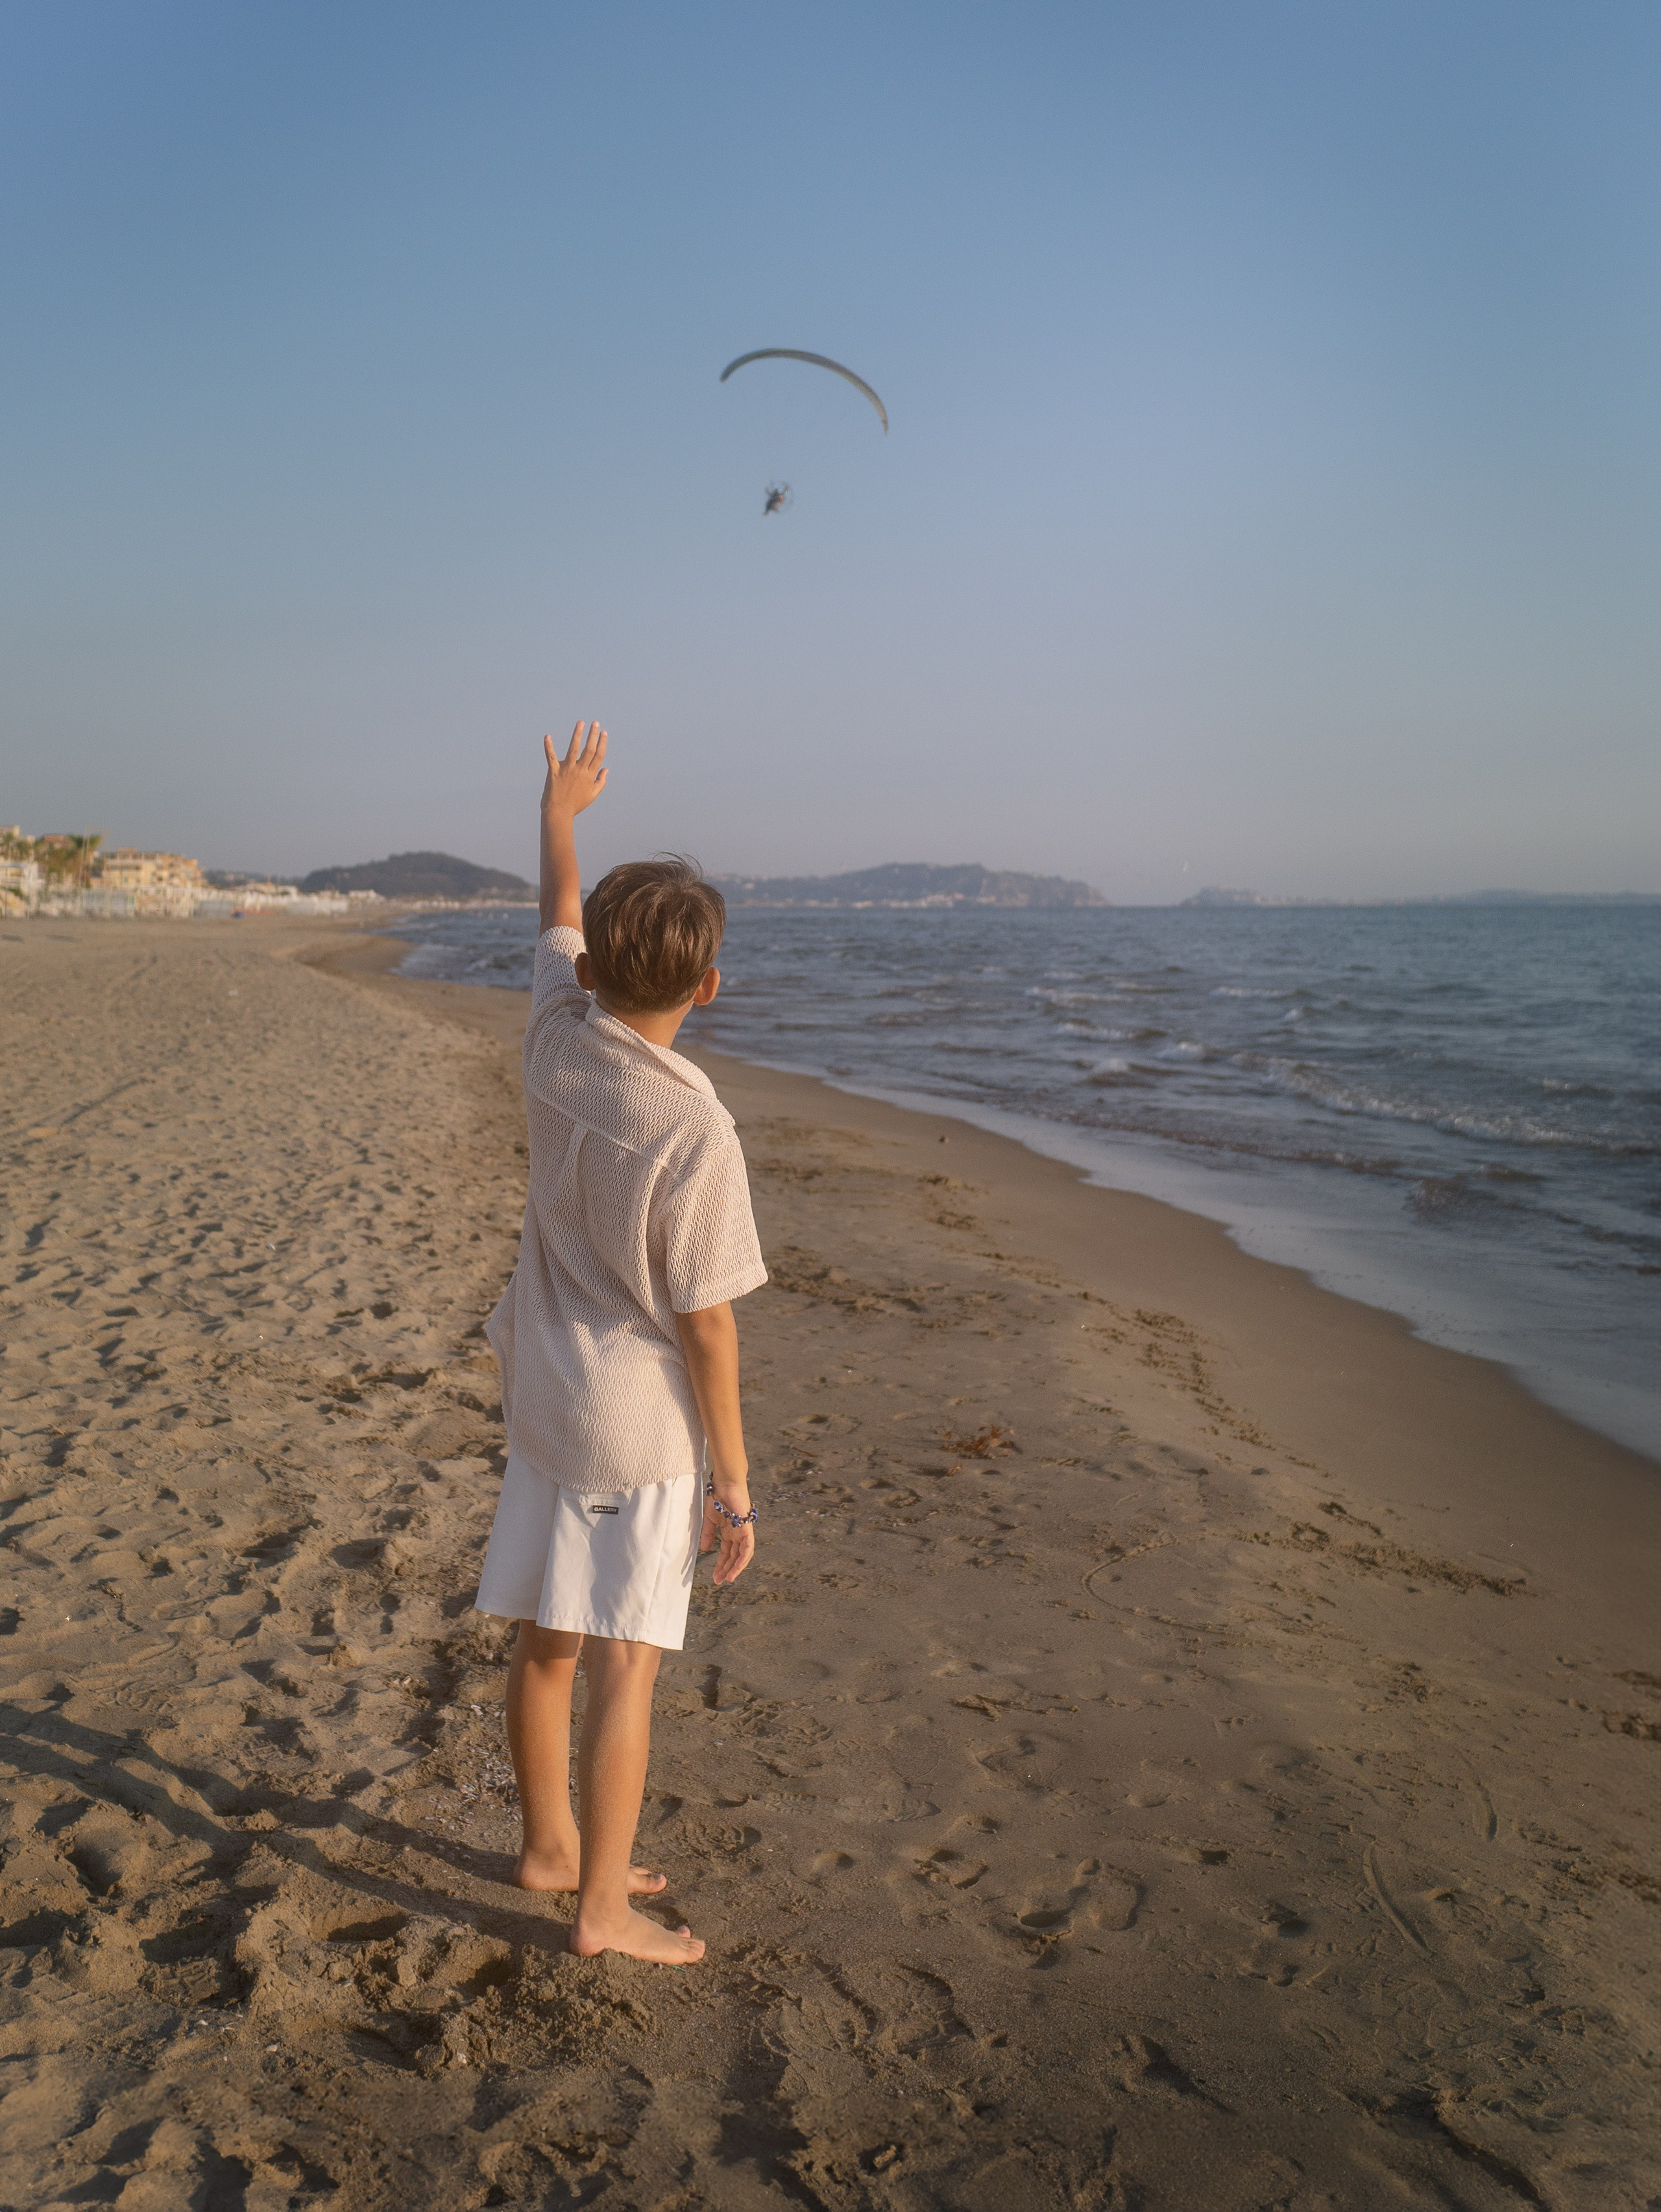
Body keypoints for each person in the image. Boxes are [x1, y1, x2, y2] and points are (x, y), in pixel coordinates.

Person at [473, 722, 767, 1963]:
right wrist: (735, 1483)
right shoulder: (695, 1129)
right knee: (628, 1672)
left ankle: (550, 1845)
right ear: (708, 986)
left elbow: (554, 912)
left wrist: (561, 811)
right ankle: (600, 1908)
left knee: (549, 1641)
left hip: (542, 1383)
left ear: (593, 969)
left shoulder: (554, 1027)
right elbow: (707, 1325)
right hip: (633, 1423)